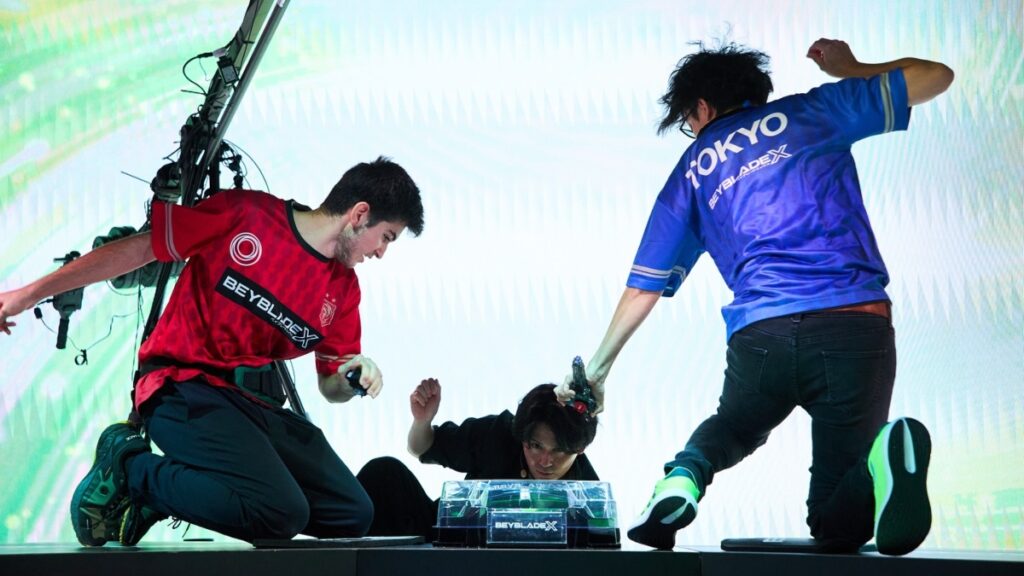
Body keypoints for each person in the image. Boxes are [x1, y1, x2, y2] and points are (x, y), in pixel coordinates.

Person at [557, 39, 953, 554]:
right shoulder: (814, 111)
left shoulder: (693, 168)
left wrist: (596, 372)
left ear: (701, 108)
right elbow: (936, 75)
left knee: (734, 427)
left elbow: (643, 287)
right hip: (853, 323)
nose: (693, 130)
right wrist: (853, 69)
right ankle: (883, 459)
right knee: (837, 524)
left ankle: (683, 479)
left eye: (688, 120)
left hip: (762, 333)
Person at [0, 156, 425, 546]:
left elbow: (331, 385)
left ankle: (174, 493)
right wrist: (27, 295)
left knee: (352, 513)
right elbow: (140, 248)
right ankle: (131, 470)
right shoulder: (247, 215)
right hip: (179, 388)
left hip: (246, 406)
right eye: (385, 237)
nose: (381, 253)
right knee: (281, 513)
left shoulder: (343, 289)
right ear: (360, 214)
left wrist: (352, 377)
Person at [356, 379, 599, 540]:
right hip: (446, 547)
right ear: (520, 435)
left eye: (559, 451)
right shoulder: (496, 435)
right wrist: (423, 420)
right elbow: (421, 448)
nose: (545, 461)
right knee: (384, 473)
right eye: (535, 446)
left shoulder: (589, 494)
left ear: (580, 449)